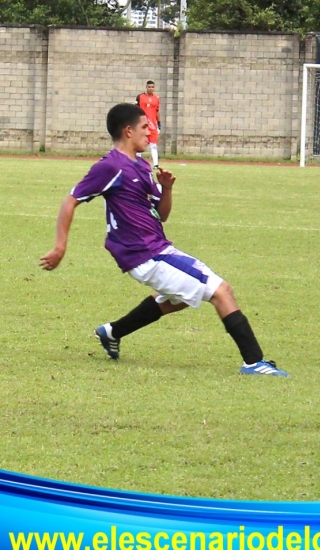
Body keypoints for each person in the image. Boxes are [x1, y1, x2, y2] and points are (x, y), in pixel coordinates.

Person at [39, 103, 289, 377]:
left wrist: (167, 189)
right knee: (221, 291)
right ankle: (254, 362)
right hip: (147, 254)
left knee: (182, 298)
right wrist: (60, 246)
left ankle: (112, 332)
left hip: (156, 248)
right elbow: (71, 200)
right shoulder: (111, 166)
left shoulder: (142, 166)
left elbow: (163, 213)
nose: (150, 132)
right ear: (128, 130)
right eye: (145, 127)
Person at [136, 80, 161, 168]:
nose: (151, 88)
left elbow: (157, 111)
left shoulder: (157, 98)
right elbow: (136, 109)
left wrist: (159, 123)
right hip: (142, 124)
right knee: (140, 143)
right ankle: (138, 163)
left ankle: (156, 164)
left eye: (152, 87)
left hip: (153, 125)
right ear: (146, 87)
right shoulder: (140, 97)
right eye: (149, 87)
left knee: (153, 145)